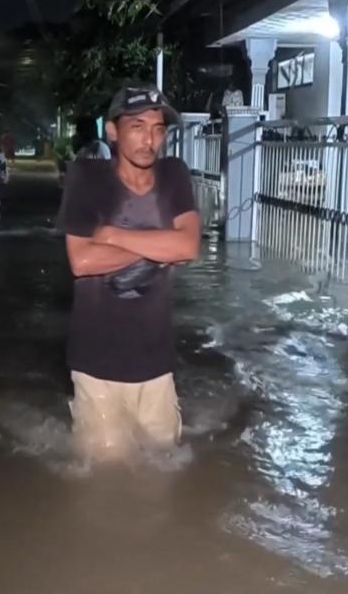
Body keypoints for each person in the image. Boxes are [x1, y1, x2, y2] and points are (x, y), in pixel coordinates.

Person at [58, 84, 201, 463]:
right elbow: (81, 262)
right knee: (103, 478)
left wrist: (112, 236)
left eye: (158, 129)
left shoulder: (174, 175)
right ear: (112, 131)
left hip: (156, 364)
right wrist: (160, 246)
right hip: (96, 365)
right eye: (137, 127)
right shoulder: (86, 178)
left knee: (164, 471)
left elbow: (188, 246)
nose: (149, 140)